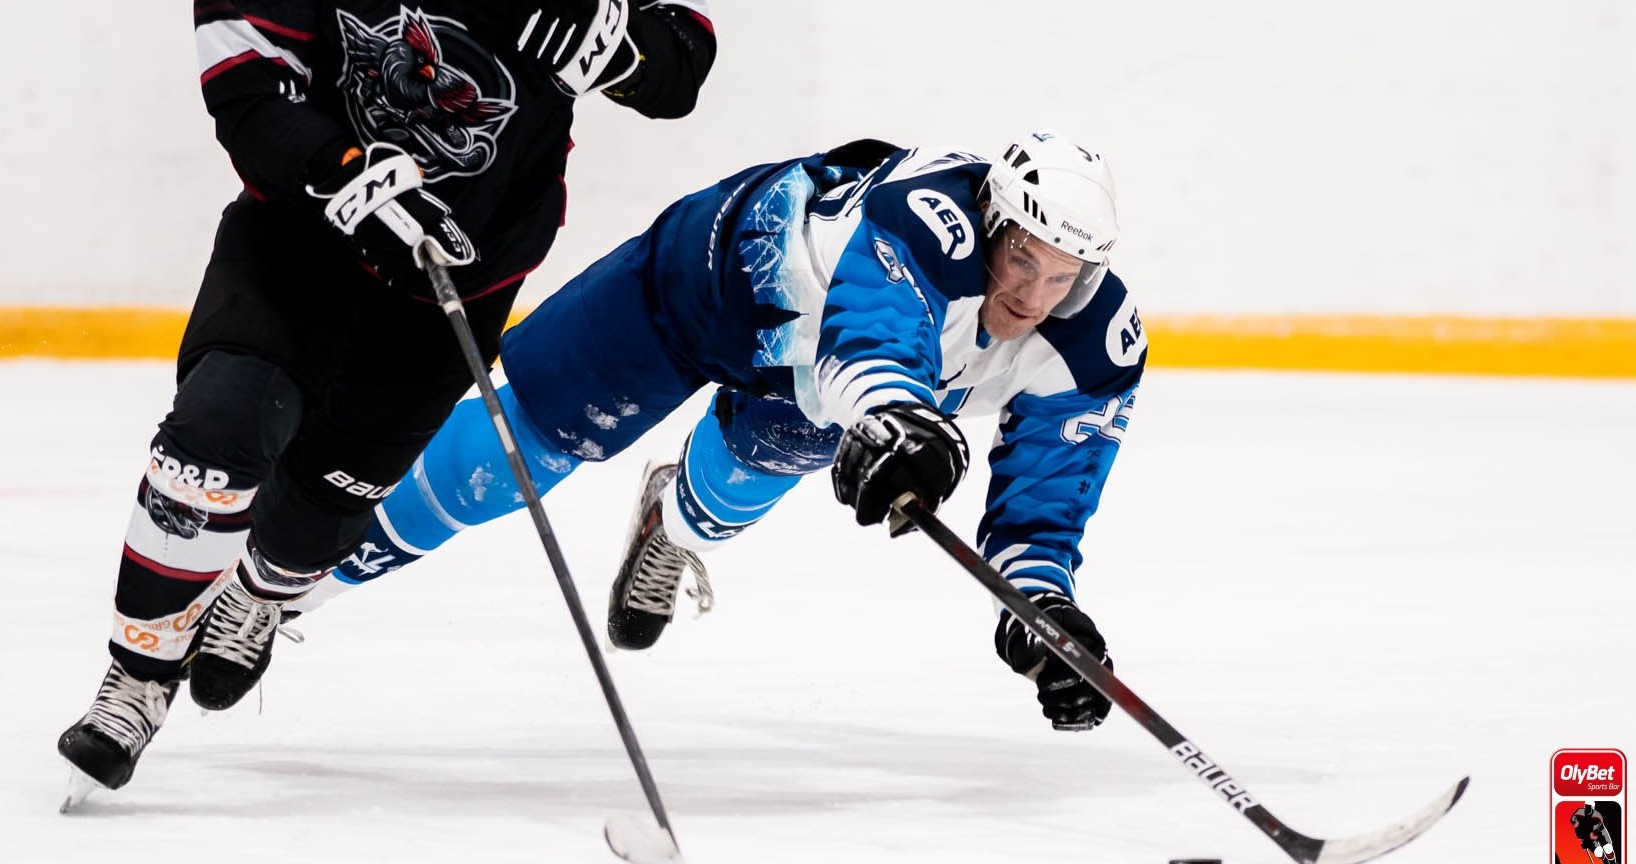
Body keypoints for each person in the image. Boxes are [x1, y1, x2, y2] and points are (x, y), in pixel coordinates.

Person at [57, 0, 716, 797]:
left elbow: (682, 53)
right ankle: (131, 678)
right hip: (303, 238)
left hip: (462, 269)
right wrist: (341, 164)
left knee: (327, 503)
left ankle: (261, 594)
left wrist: (619, 50)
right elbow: (243, 80)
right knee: (217, 434)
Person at [287, 131, 1146, 732]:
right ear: (992, 224)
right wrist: (895, 415)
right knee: (512, 460)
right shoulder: (930, 214)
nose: (1035, 296)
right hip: (707, 284)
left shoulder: (1093, 344)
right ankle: (286, 578)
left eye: (1063, 278)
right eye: (1023, 260)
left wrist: (1042, 607)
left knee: (724, 497)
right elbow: (878, 330)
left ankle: (670, 523)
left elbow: (1046, 492)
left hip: (811, 389)